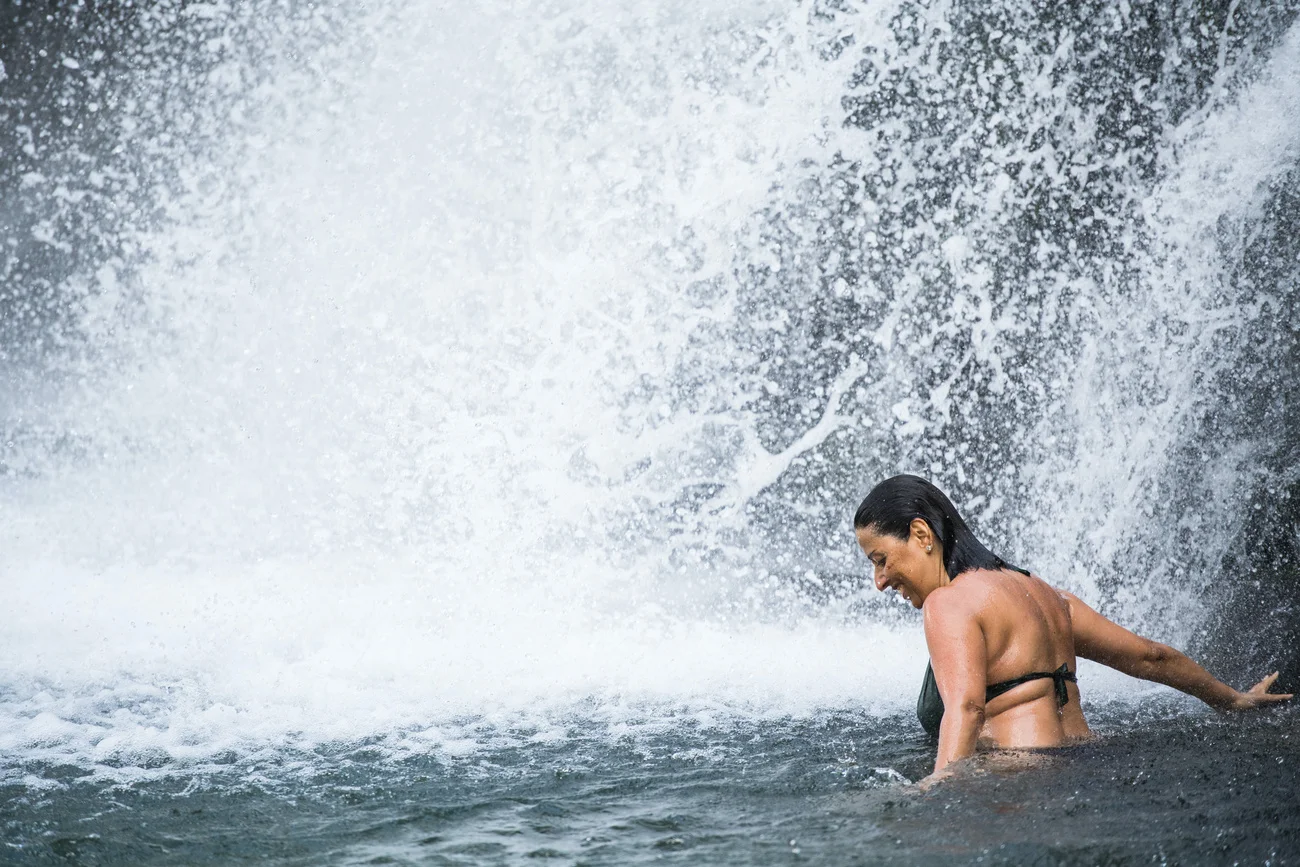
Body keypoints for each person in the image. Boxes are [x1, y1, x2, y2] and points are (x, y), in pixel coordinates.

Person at [853, 474, 1292, 785]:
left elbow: (967, 709)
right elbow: (1149, 657)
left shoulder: (947, 604)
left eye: (880, 559)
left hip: (1018, 776)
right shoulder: (1045, 595)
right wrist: (1232, 699)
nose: (880, 581)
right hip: (1084, 761)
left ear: (921, 533)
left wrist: (936, 792)